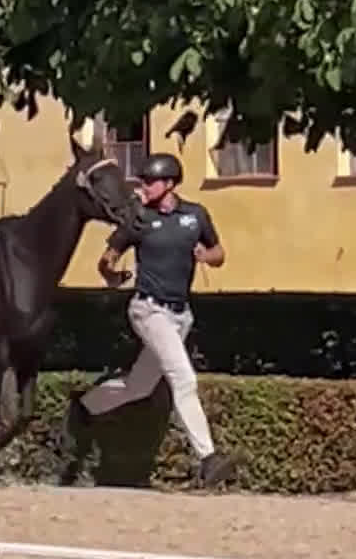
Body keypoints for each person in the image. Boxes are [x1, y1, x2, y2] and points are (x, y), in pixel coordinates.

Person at [63, 151, 236, 488]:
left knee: (138, 387)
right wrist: (110, 272)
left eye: (149, 181)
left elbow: (219, 252)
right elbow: (107, 258)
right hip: (148, 309)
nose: (143, 186)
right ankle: (208, 458)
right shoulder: (137, 218)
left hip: (180, 315)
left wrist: (207, 256)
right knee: (183, 379)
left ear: (169, 184)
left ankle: (85, 407)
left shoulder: (195, 215)